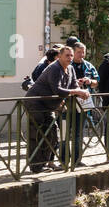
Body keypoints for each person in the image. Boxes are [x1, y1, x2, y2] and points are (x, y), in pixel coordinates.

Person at [24, 44, 88, 172]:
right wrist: (76, 92)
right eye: (67, 55)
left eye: (71, 55)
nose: (70, 58)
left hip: (48, 105)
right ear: (59, 56)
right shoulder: (54, 68)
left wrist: (82, 91)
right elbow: (57, 89)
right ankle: (36, 167)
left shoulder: (70, 69)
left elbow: (74, 85)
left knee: (52, 133)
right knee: (38, 134)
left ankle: (44, 163)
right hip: (35, 102)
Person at [66, 42, 100, 165]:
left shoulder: (89, 66)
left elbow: (97, 81)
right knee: (65, 132)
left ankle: (77, 160)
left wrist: (89, 81)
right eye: (79, 52)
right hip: (68, 102)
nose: (81, 54)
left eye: (83, 52)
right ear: (73, 52)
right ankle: (64, 160)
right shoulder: (67, 65)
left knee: (79, 133)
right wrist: (75, 85)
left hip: (84, 102)